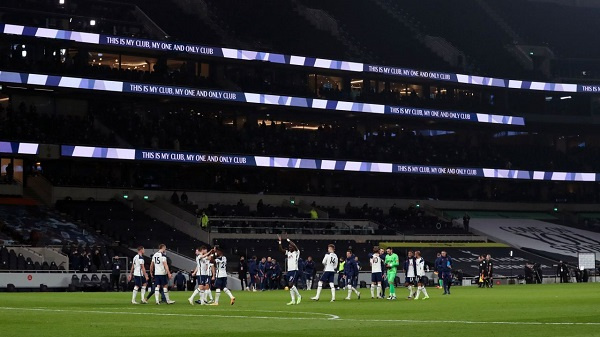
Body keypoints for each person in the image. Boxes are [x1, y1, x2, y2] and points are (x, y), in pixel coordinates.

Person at [278, 234, 302, 305]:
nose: (289, 247)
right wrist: (280, 242)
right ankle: (293, 300)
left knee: (290, 284)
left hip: (294, 270)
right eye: (289, 247)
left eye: (290, 247)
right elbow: (281, 250)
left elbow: (295, 245)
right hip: (289, 270)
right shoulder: (288, 253)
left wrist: (288, 240)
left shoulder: (297, 253)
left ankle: (299, 296)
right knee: (290, 286)